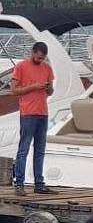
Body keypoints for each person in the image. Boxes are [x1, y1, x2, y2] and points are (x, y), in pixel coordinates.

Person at [11, 42, 57, 196]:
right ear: (33, 52)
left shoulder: (47, 68)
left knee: (40, 150)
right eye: (37, 58)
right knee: (23, 149)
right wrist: (33, 87)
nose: (40, 60)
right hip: (28, 112)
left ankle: (39, 183)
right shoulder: (21, 67)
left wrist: (47, 87)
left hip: (42, 112)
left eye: (42, 58)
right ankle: (19, 183)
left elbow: (50, 91)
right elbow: (14, 91)